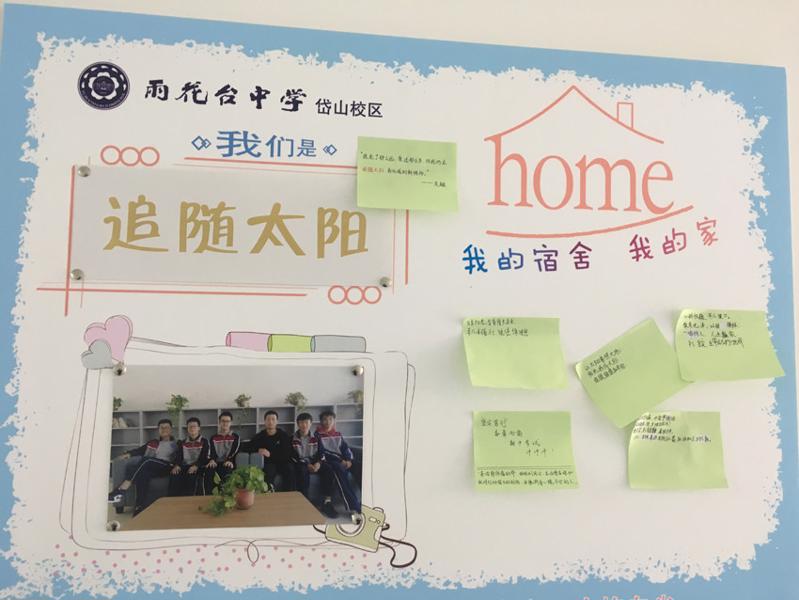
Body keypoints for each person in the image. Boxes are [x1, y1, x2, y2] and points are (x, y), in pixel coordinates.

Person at [108, 418, 178, 516]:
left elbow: (180, 456)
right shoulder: (153, 442)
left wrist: (177, 465)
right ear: (158, 430)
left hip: (166, 467)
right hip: (151, 466)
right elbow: (140, 450)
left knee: (146, 460)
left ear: (171, 429)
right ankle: (139, 507)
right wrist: (128, 454)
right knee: (142, 474)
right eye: (161, 428)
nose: (164, 429)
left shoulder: (176, 444)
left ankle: (121, 490)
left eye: (166, 427)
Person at [316, 409, 361, 517]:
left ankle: (368, 499)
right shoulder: (317, 435)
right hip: (331, 461)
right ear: (321, 422)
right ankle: (354, 507)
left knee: (359, 466)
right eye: (325, 419)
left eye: (330, 419)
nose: (328, 422)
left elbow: (345, 448)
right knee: (339, 472)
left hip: (343, 460)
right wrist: (341, 461)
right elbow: (323, 452)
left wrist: (349, 460)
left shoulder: (338, 434)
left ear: (334, 421)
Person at [242, 410, 296, 491]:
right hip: (269, 463)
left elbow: (287, 453)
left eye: (273, 419)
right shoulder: (260, 436)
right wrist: (258, 449)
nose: (270, 422)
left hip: (282, 462)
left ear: (277, 421)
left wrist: (270, 454)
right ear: (265, 421)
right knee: (268, 471)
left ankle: (289, 494)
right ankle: (268, 494)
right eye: (268, 419)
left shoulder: (283, 435)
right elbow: (246, 447)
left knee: (290, 469)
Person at [169, 417, 210, 496]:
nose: (192, 428)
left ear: (199, 428)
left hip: (199, 467)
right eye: (190, 427)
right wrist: (177, 465)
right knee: (174, 474)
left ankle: (189, 500)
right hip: (185, 466)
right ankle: (172, 501)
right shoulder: (182, 442)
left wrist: (196, 466)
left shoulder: (204, 441)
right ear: (187, 429)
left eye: (194, 426)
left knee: (191, 475)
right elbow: (179, 456)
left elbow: (205, 457)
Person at [290, 412, 321, 501]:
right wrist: (307, 464)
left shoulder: (316, 437)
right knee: (302, 470)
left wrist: (318, 463)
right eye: (301, 423)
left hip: (314, 462)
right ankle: (304, 499)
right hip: (300, 462)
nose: (304, 425)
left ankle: (327, 500)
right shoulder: (292, 438)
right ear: (298, 424)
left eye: (306, 422)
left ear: (311, 423)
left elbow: (321, 452)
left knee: (329, 470)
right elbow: (293, 456)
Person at [207, 411, 240, 490]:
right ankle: (209, 495)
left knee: (227, 470)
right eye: (223, 421)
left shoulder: (235, 437)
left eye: (227, 421)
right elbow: (211, 451)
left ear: (231, 423)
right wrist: (212, 460)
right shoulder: (213, 437)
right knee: (209, 470)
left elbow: (235, 450)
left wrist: (229, 460)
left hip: (229, 462)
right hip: (216, 462)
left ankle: (226, 494)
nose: (225, 423)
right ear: (219, 422)